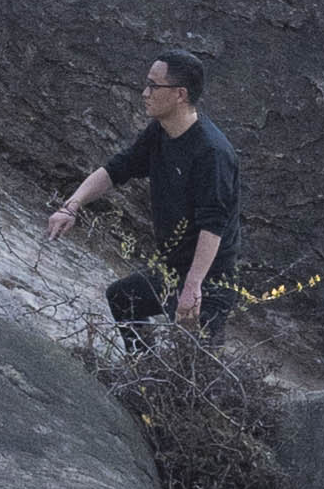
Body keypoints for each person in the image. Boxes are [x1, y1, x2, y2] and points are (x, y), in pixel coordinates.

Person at [49, 48, 239, 332]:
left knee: (193, 363)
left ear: (180, 94)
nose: (145, 92)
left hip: (208, 281)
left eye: (153, 85)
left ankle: (160, 373)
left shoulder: (211, 152)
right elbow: (118, 168)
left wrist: (193, 286)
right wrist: (72, 205)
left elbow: (214, 224)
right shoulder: (160, 131)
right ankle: (142, 365)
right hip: (174, 269)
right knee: (123, 298)